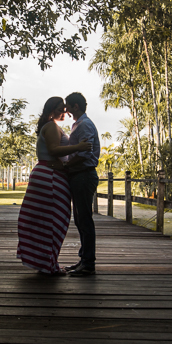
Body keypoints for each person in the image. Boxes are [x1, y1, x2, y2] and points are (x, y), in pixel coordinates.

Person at [16, 96, 92, 276]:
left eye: (65, 109)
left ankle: (47, 262)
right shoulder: (50, 126)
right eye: (60, 108)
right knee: (52, 220)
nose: (64, 112)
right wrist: (79, 147)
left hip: (50, 175)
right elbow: (53, 150)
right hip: (49, 176)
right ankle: (48, 264)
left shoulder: (53, 126)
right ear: (51, 110)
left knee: (51, 220)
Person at [63, 92, 100, 277]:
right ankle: (84, 259)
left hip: (83, 175)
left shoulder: (84, 125)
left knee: (84, 220)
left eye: (68, 106)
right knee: (80, 220)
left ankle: (88, 263)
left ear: (75, 106)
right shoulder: (78, 124)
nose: (66, 109)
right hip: (79, 175)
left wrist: (66, 165)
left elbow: (85, 153)